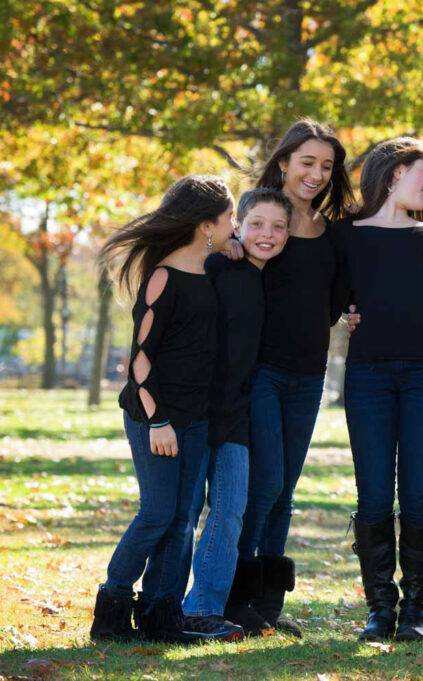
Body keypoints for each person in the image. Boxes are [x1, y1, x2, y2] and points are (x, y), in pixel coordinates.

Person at [223, 119, 355, 636]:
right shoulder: (258, 223)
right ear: (283, 163)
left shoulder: (333, 232)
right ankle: (236, 595)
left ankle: (267, 604)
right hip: (261, 372)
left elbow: (333, 305)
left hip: (309, 374)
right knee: (265, 483)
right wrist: (229, 246)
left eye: (327, 166)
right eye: (307, 163)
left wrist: (354, 313)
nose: (318, 174)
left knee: (285, 491)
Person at [91, 175, 235, 643]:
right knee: (157, 514)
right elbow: (141, 358)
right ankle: (111, 611)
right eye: (230, 217)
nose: (234, 224)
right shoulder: (163, 277)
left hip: (196, 417)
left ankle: (161, 616)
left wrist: (230, 250)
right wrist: (158, 420)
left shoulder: (210, 269)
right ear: (205, 224)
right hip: (156, 416)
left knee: (181, 521)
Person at [331, 137, 423, 642]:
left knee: (419, 495)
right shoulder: (345, 237)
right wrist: (342, 313)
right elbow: (324, 294)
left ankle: (416, 611)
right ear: (395, 172)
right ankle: (381, 607)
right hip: (368, 377)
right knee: (375, 493)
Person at [179, 188, 292, 641]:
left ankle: (204, 607)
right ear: (237, 225)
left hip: (237, 414)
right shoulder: (215, 267)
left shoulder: (270, 277)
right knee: (182, 513)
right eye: (257, 224)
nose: (268, 234)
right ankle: (162, 605)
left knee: (230, 510)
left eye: (278, 226)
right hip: (194, 409)